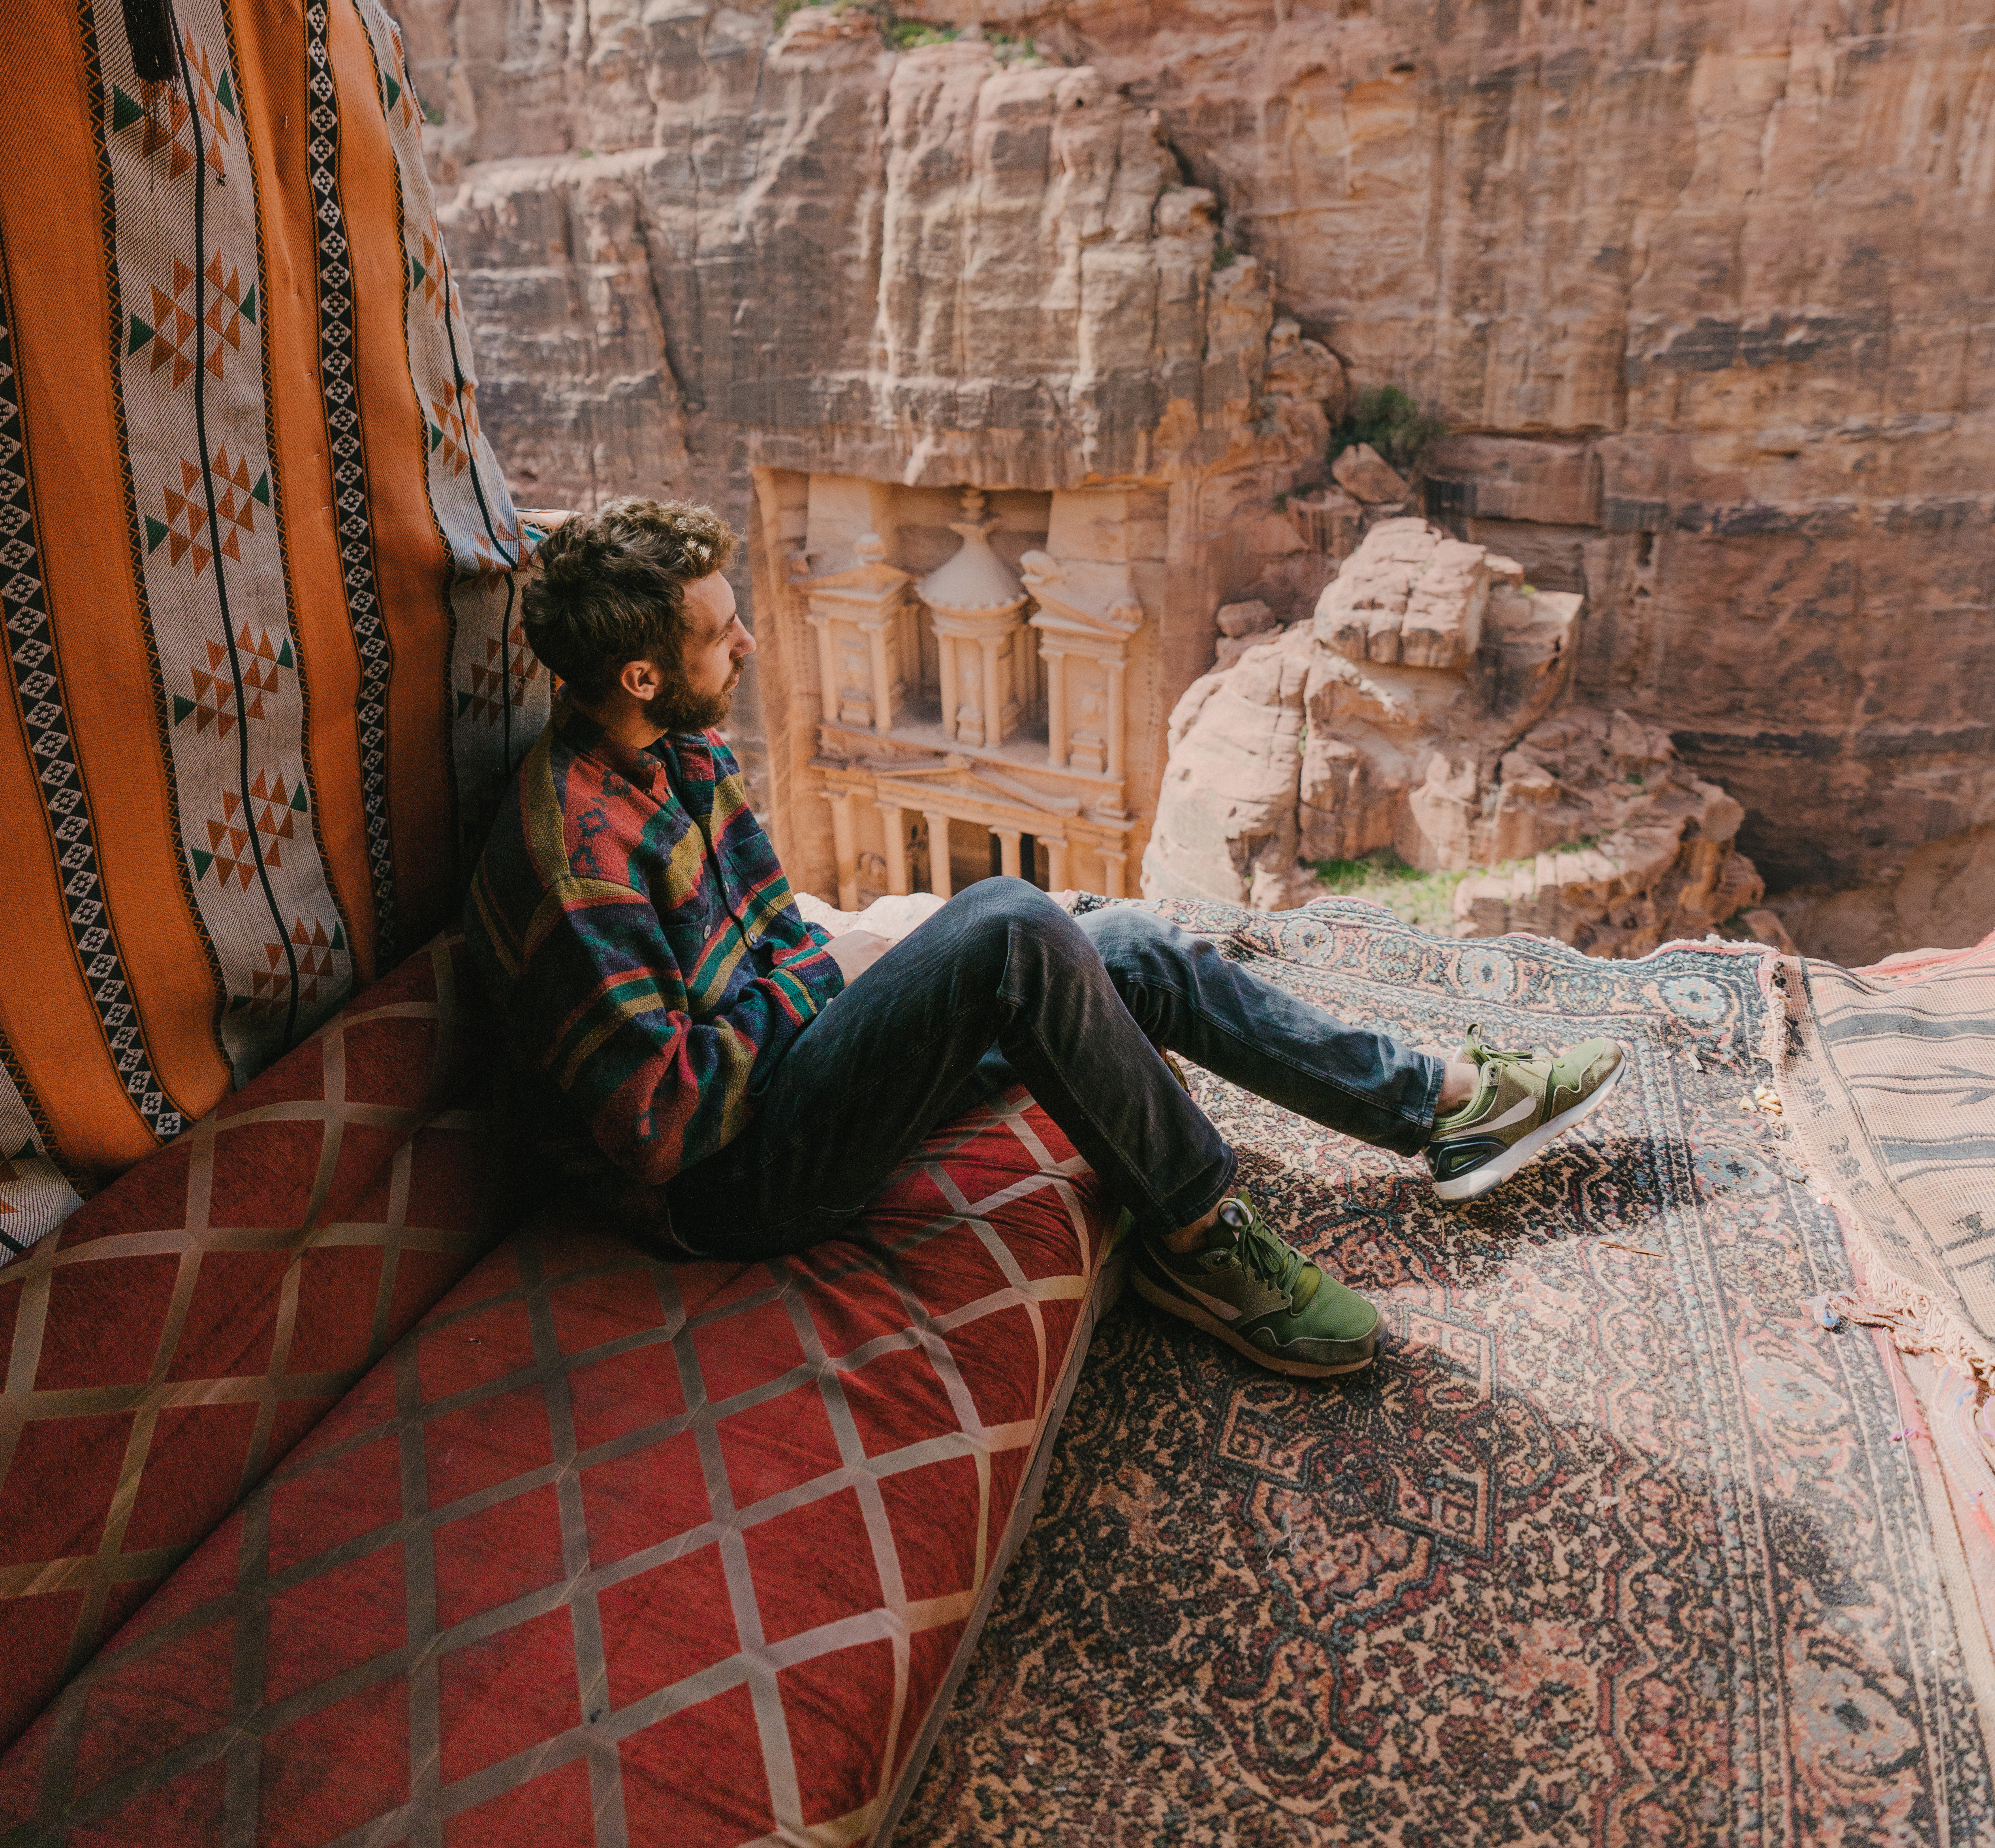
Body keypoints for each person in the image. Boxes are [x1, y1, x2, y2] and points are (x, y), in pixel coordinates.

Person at [467, 498, 1627, 1380]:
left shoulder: (681, 750)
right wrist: (838, 975)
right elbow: (660, 1129)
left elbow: (774, 935)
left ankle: (1439, 1103)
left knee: (1110, 937)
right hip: (738, 1182)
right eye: (724, 635)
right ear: (641, 672)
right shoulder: (577, 859)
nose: (750, 648)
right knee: (1014, 930)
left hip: (793, 1075)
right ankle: (1201, 1237)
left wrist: (846, 970)